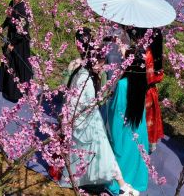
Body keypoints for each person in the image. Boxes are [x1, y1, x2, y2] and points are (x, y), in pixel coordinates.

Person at [60, 28, 134, 195]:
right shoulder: (83, 78)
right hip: (83, 119)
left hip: (88, 118)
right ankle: (121, 185)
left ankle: (120, 184)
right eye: (101, 64)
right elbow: (74, 102)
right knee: (99, 151)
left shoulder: (84, 71)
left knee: (98, 151)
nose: (103, 67)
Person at [106, 49, 149, 195]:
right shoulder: (143, 83)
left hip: (124, 128)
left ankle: (121, 184)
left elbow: (116, 110)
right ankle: (135, 183)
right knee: (136, 155)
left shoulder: (123, 84)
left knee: (121, 154)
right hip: (138, 127)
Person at [126, 27, 165, 150]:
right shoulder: (157, 54)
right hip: (151, 91)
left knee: (141, 120)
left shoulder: (145, 54)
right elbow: (159, 76)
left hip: (140, 90)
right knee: (149, 121)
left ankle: (139, 145)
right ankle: (149, 145)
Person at [0, 0, 33, 103]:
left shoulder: (24, 9)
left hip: (20, 40)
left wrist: (13, 44)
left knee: (17, 64)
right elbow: (8, 18)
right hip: (11, 35)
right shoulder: (11, 3)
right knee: (7, 60)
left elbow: (22, 29)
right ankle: (5, 86)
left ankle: (15, 92)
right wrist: (2, 27)